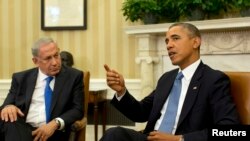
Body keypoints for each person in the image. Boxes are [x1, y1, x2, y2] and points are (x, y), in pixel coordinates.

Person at [101, 23, 240, 141]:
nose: (169, 45)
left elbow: (230, 130)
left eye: (175, 38)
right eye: (167, 41)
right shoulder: (167, 78)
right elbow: (141, 112)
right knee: (114, 133)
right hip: (150, 138)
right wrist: (121, 91)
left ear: (195, 42)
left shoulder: (214, 80)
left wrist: (179, 139)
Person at [0, 37, 84, 141]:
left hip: (52, 132)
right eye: (48, 58)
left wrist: (55, 123)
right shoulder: (21, 78)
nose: (55, 62)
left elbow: (78, 109)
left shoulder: (74, 76)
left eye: (56, 55)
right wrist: (8, 107)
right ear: (35, 61)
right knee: (9, 119)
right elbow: (7, 103)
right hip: (22, 130)